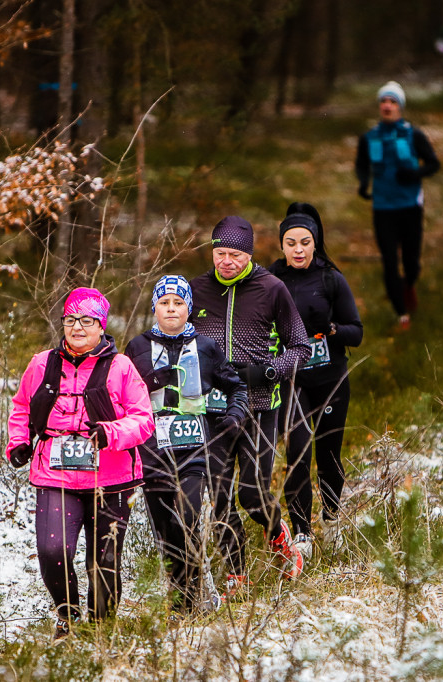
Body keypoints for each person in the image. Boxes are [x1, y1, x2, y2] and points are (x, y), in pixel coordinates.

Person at [5, 287, 155, 640]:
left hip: (112, 479)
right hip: (55, 475)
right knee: (52, 550)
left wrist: (110, 433)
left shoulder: (121, 367)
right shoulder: (42, 363)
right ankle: (68, 616)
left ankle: (100, 629)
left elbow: (143, 419)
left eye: (86, 321)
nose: (77, 327)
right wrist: (20, 441)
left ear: (101, 325)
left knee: (103, 563)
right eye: (70, 319)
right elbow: (22, 406)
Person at [190, 216, 311, 594]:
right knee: (222, 496)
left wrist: (270, 372)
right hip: (213, 409)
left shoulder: (271, 288)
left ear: (250, 254)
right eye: (220, 252)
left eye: (236, 254)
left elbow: (301, 347)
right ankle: (236, 575)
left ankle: (279, 538)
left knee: (251, 491)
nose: (226, 261)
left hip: (260, 404)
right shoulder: (197, 290)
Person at [124, 275, 248, 614]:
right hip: (152, 450)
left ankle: (192, 593)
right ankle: (183, 599)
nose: (171, 308)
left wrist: (235, 416)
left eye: (178, 302)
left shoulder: (207, 347)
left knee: (189, 517)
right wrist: (151, 382)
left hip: (195, 447)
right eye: (164, 302)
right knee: (165, 530)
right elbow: (122, 393)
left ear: (189, 308)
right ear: (154, 308)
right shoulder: (137, 347)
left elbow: (236, 386)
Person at [269, 203, 363, 559]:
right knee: (297, 453)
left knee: (327, 453)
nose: (297, 249)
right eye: (290, 242)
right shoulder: (270, 279)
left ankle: (333, 516)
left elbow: (357, 333)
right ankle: (303, 533)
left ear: (315, 243)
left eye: (305, 242)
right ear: (281, 245)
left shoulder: (330, 278)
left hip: (330, 380)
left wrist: (333, 329)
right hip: (291, 381)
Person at [356, 81, 440, 330]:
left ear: (400, 107)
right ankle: (401, 314)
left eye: (392, 102)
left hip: (410, 207)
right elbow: (361, 164)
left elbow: (434, 164)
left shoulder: (414, 135)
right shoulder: (369, 138)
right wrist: (363, 183)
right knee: (389, 261)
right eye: (383, 101)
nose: (387, 106)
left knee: (411, 262)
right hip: (383, 209)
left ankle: (409, 284)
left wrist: (415, 173)